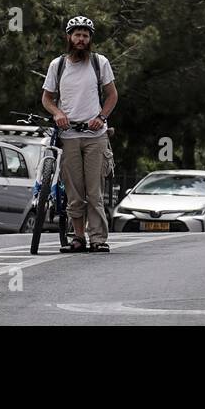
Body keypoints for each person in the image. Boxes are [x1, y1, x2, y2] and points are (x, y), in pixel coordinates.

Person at [40, 16, 119, 253]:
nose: (81, 40)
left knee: (94, 191)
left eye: (85, 35)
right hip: (69, 135)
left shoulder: (99, 62)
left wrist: (101, 117)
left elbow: (112, 95)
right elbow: (46, 98)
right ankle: (78, 237)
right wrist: (57, 113)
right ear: (69, 37)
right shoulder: (58, 65)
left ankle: (98, 238)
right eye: (77, 35)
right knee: (74, 191)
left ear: (90, 39)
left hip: (95, 136)